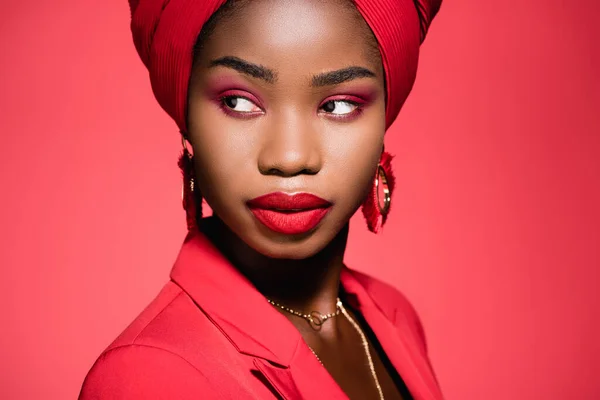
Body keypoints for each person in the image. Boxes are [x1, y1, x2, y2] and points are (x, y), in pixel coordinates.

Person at [79, 0, 443, 398]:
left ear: (384, 120)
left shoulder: (394, 318)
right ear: (187, 122)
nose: (289, 158)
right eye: (238, 102)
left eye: (338, 106)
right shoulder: (147, 376)